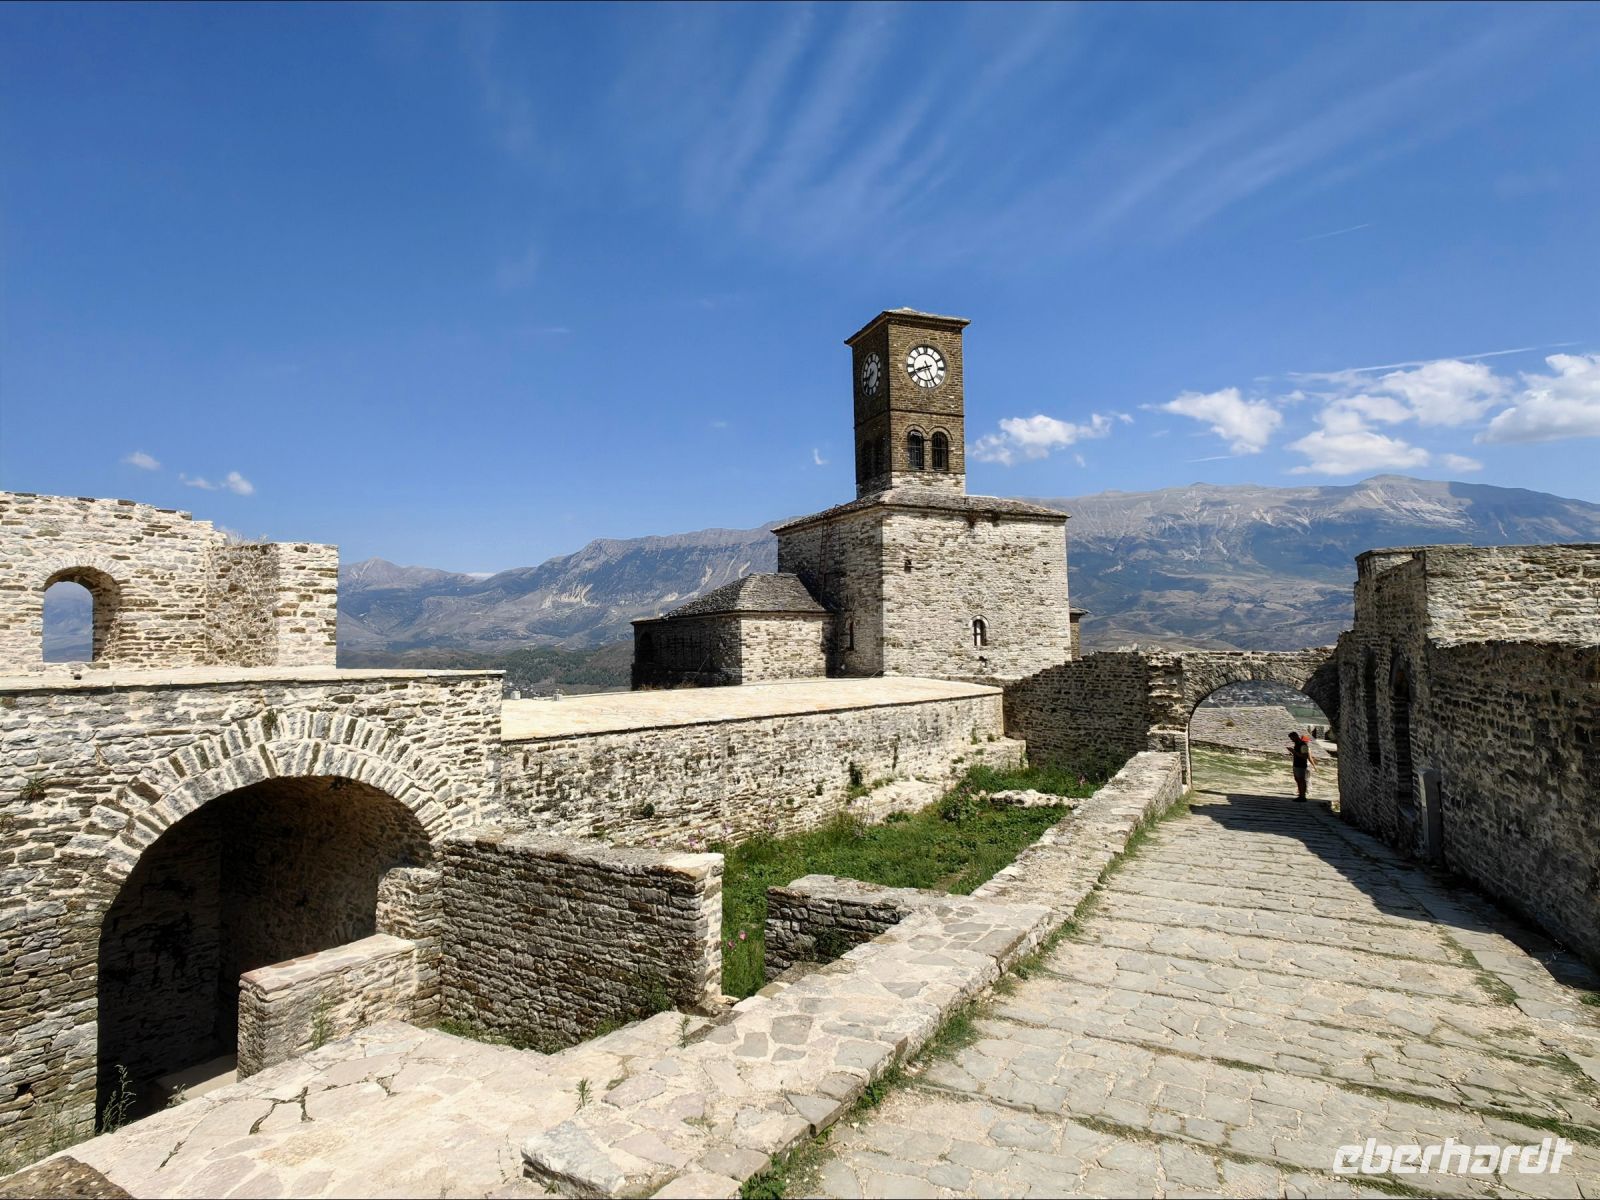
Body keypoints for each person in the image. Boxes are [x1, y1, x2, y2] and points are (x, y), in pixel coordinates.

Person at [1287, 730, 1316, 802]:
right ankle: (1301, 795)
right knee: (1297, 779)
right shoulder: (1297, 744)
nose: (1292, 740)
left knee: (1301, 780)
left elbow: (1305, 756)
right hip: (1296, 764)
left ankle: (1303, 796)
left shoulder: (1303, 745)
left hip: (1301, 765)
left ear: (1295, 737)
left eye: (1292, 738)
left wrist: (1294, 752)